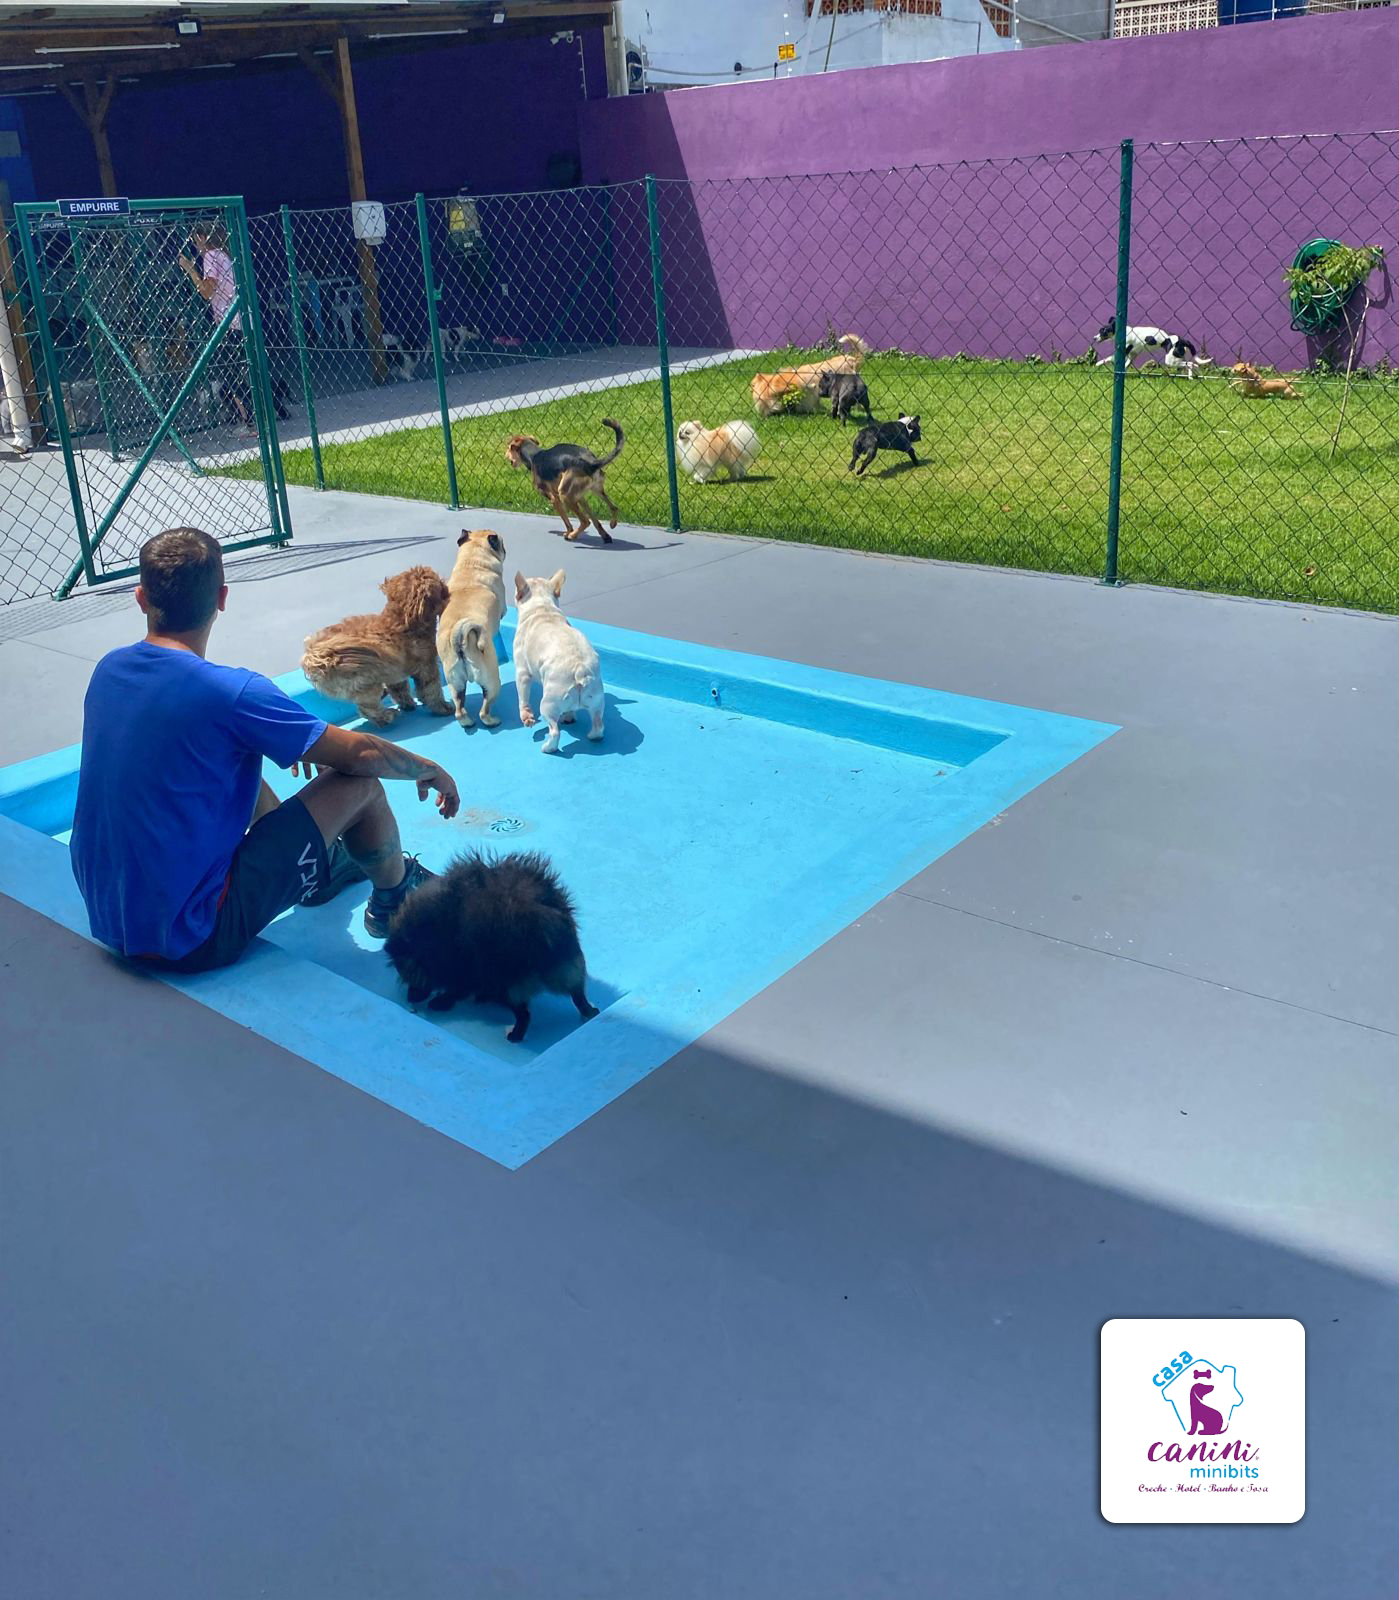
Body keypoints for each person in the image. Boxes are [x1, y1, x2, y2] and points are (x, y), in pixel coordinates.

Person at [69, 527, 460, 973]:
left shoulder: (109, 670)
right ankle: (395, 897)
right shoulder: (231, 693)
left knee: (227, 759)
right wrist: (429, 769)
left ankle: (325, 866)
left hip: (108, 915)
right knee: (361, 786)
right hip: (193, 936)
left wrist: (293, 741)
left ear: (141, 598)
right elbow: (361, 755)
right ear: (222, 598)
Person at [178, 222, 254, 432]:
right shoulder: (226, 255)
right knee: (239, 371)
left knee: (230, 375)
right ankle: (250, 415)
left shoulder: (211, 256)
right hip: (241, 319)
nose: (195, 245)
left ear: (202, 237)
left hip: (229, 322)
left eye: (195, 240)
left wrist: (190, 269)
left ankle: (248, 419)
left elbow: (207, 291)